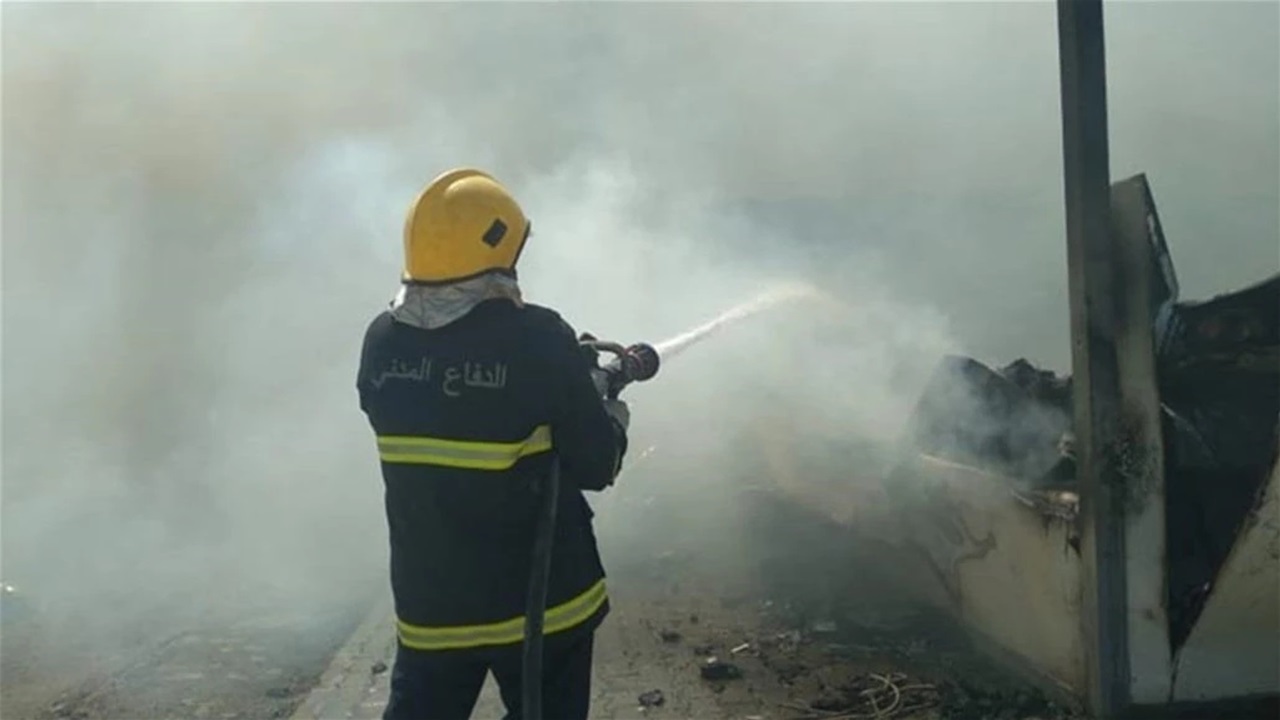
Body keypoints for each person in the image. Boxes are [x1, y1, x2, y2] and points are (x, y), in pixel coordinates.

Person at [356, 168, 631, 720]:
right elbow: (596, 463)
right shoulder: (538, 339)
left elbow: (458, 396)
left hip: (432, 610)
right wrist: (609, 407)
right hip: (543, 611)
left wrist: (564, 378)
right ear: (499, 253)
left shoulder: (382, 343)